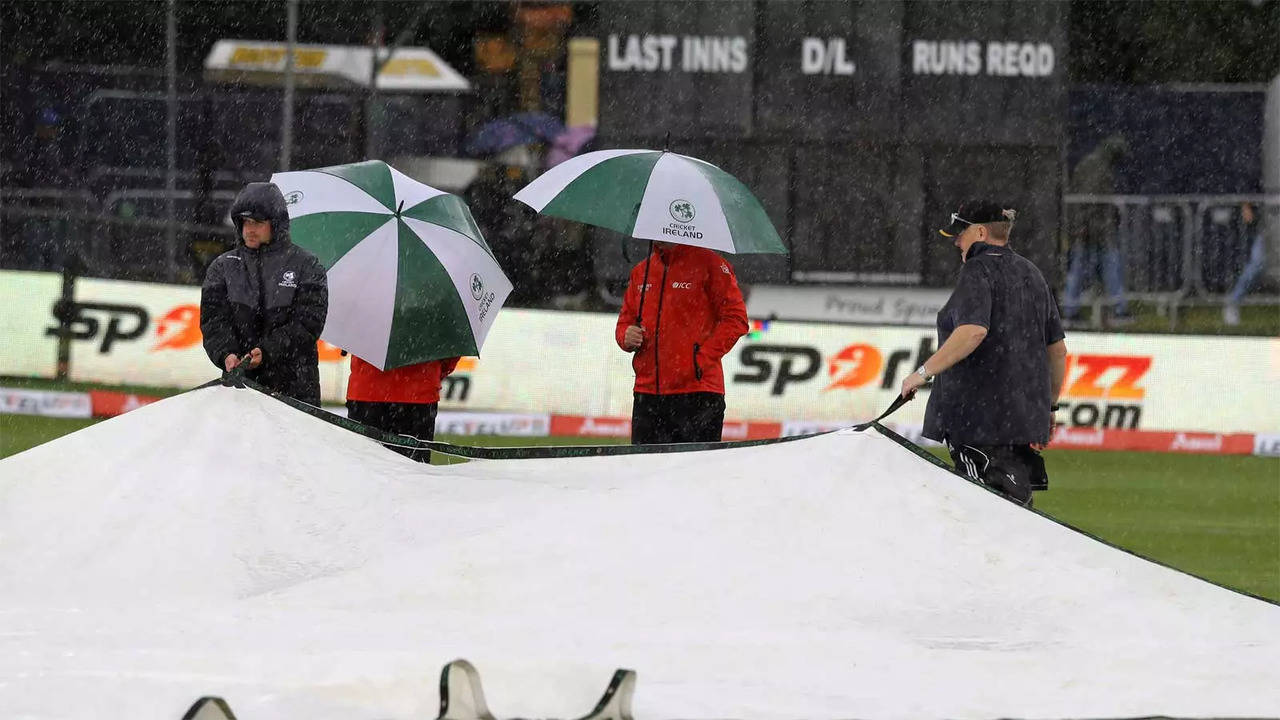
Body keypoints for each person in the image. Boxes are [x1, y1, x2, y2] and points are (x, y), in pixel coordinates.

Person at [900, 200, 1068, 507]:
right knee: (1013, 512)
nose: (956, 243)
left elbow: (973, 331)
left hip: (977, 419)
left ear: (979, 232)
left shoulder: (977, 271)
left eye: (959, 234)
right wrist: (1051, 407)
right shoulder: (1032, 274)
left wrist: (922, 373)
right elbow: (1057, 351)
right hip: (1018, 421)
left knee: (981, 515)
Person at [200, 181, 328, 405]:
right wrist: (226, 354)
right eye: (245, 222)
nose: (249, 229)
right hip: (239, 391)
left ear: (275, 224)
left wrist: (266, 352)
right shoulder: (222, 267)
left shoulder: (307, 265)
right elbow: (213, 321)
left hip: (295, 391)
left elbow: (308, 324)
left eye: (258, 222)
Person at [616, 241, 749, 444]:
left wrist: (700, 360)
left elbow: (737, 320)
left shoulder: (711, 264)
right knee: (645, 474)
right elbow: (625, 323)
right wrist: (626, 335)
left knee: (695, 473)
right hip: (647, 394)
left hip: (698, 395)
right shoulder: (641, 271)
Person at [1062, 134, 1132, 326]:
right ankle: (1116, 309)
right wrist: (1086, 225)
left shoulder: (1090, 164)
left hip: (1090, 226)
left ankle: (1071, 309)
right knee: (1104, 264)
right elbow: (1089, 200)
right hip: (1094, 228)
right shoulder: (1097, 167)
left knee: (1081, 267)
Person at [345, 355, 461, 463]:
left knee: (363, 467)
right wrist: (433, 373)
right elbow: (453, 348)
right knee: (413, 472)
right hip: (419, 391)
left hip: (366, 389)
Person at [1223, 201, 1267, 326]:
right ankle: (1233, 301)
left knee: (1258, 263)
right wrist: (1246, 205)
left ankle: (1234, 301)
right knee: (1257, 263)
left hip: (1264, 221)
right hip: (1261, 223)